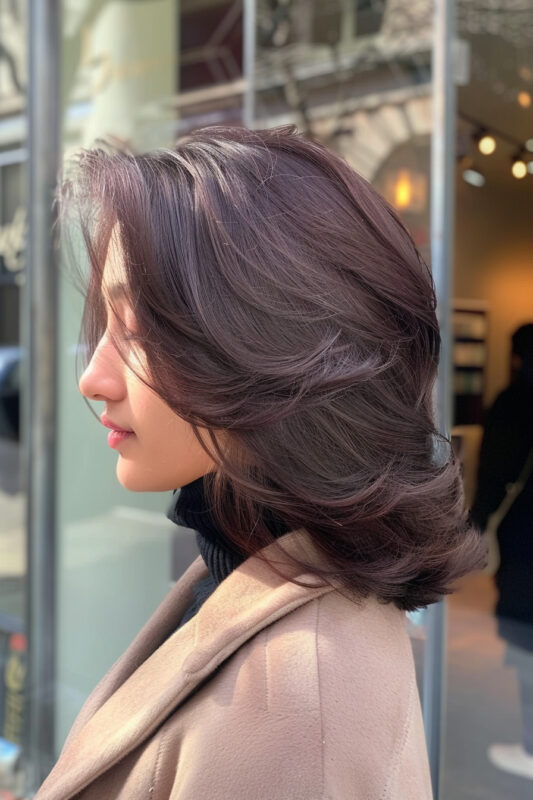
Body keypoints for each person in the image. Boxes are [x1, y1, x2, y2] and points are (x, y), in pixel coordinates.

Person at [36, 125, 485, 799]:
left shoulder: (297, 710)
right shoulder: (247, 565)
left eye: (136, 330)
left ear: (267, 343)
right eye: (106, 325)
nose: (92, 379)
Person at [469, 323, 533, 781]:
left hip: (527, 538)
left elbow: (494, 472)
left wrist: (474, 525)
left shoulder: (515, 404)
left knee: (526, 638)